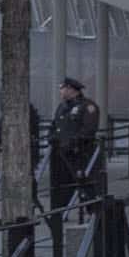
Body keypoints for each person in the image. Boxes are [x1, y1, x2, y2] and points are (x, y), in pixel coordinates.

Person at [48, 77, 103, 213]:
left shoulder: (87, 106)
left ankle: (92, 211)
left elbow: (89, 129)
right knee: (62, 185)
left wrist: (73, 142)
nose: (60, 91)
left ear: (71, 89)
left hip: (80, 152)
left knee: (85, 182)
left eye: (62, 88)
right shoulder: (62, 107)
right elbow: (55, 126)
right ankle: (61, 212)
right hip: (62, 152)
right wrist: (52, 138)